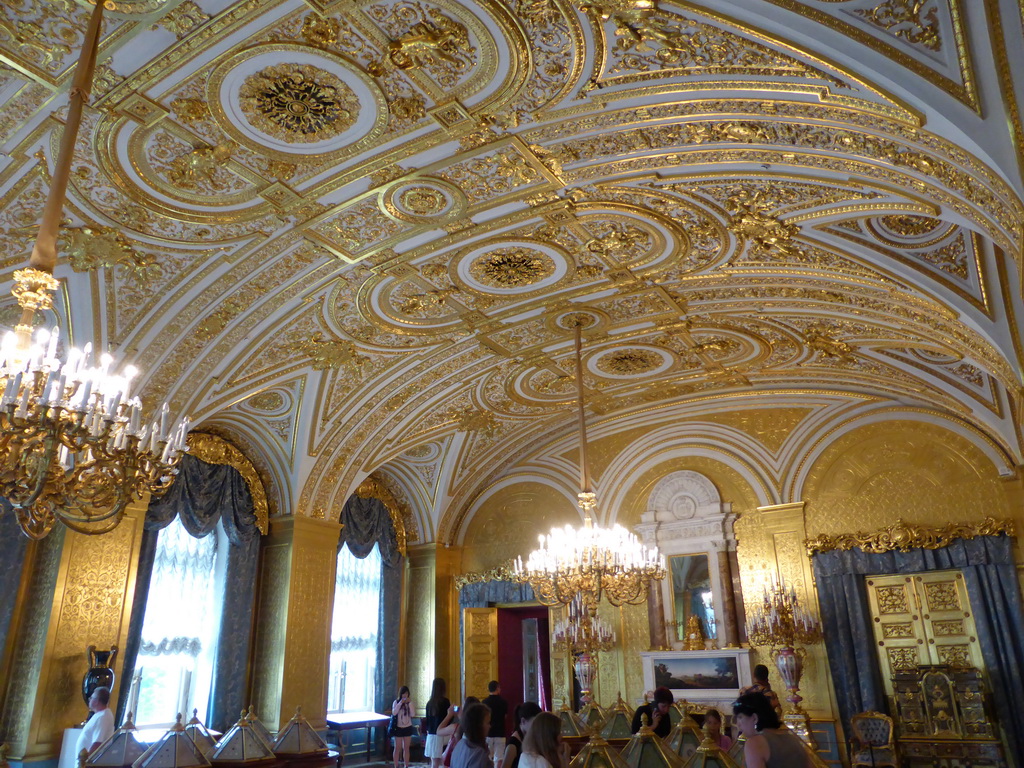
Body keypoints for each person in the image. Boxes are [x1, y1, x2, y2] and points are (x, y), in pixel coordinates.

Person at [732, 693, 810, 768]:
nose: (738, 724)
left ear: (754, 718)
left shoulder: (754, 743)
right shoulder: (792, 738)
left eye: (740, 717)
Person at [442, 697, 481, 768]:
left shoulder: (456, 727)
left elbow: (439, 731)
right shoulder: (480, 727)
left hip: (458, 759)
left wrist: (449, 715)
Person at [450, 702, 492, 768]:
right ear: (478, 725)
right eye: (488, 723)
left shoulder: (459, 744)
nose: (490, 726)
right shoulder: (478, 753)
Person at [76, 687, 114, 758]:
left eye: (91, 697)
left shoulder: (103, 716)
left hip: (89, 762)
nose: (89, 699)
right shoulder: (100, 714)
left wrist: (86, 762)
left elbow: (97, 743)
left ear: (96, 701)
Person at [502, 702, 543, 768]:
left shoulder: (529, 738)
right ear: (523, 721)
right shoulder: (513, 744)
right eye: (535, 723)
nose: (537, 727)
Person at [425, 678, 453, 768]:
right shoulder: (445, 702)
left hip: (430, 735)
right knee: (444, 762)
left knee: (434, 762)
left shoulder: (429, 703)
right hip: (441, 735)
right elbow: (449, 719)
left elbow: (427, 721)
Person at [482, 681, 509, 768]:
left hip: (488, 733)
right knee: (499, 758)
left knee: (488, 757)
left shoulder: (484, 702)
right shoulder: (503, 702)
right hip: (500, 732)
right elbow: (505, 716)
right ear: (497, 688)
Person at [392, 686, 414, 768]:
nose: (405, 695)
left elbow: (412, 714)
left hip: (407, 727)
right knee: (397, 748)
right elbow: (394, 712)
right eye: (403, 693)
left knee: (406, 748)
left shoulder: (410, 703)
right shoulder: (396, 702)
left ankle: (406, 765)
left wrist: (410, 703)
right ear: (400, 694)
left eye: (406, 693)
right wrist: (400, 703)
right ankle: (396, 765)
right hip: (398, 727)